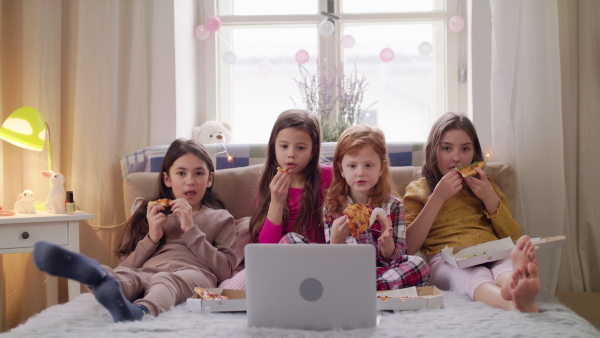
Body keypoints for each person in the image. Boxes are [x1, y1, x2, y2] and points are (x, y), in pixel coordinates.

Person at [33, 138, 237, 322]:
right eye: (181, 173)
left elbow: (225, 271)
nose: (190, 181)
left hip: (193, 275)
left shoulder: (221, 217)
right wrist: (152, 237)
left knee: (164, 280)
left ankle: (141, 312)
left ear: (210, 179)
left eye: (199, 173)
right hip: (147, 270)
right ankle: (97, 276)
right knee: (129, 276)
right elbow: (127, 264)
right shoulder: (148, 212)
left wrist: (191, 231)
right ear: (168, 179)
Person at [403, 112, 540, 312]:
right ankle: (510, 303)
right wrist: (438, 197)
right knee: (471, 276)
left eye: (465, 149)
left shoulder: (487, 185)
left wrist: (488, 197)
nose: (456, 158)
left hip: (492, 251)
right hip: (445, 259)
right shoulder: (419, 189)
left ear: (474, 153)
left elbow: (513, 236)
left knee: (504, 265)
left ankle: (515, 283)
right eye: (446, 148)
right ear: (433, 151)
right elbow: (407, 246)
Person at [219, 109, 333, 289]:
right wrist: (277, 202)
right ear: (273, 146)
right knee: (233, 289)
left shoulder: (328, 177)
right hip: (279, 267)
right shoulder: (269, 182)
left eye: (300, 147)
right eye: (284, 146)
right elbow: (267, 248)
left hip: (317, 266)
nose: (291, 154)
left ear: (313, 150)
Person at [324, 125, 430, 290]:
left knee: (418, 265)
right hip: (345, 271)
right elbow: (332, 261)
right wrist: (336, 241)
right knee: (290, 240)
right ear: (341, 169)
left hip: (381, 273)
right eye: (352, 166)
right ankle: (361, 288)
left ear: (382, 167)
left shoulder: (393, 206)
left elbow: (398, 257)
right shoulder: (332, 207)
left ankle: (361, 288)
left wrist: (386, 244)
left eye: (369, 165)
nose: (360, 173)